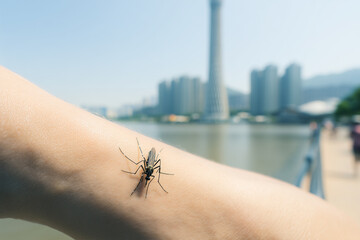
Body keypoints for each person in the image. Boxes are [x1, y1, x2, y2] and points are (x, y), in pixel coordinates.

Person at [0, 65, 360, 239]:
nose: (145, 174)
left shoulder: (149, 171)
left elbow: (151, 170)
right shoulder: (145, 169)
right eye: (145, 173)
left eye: (146, 174)